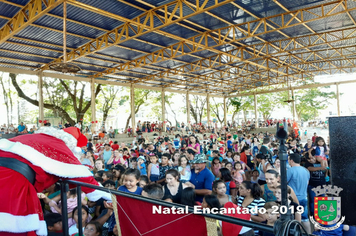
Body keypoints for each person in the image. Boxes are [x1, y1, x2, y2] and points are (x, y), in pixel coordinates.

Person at [0, 127, 112, 235]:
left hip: (9, 176)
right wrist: (110, 196)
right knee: (12, 227)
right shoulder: (59, 145)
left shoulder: (33, 138)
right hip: (12, 180)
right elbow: (82, 176)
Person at [287, 153, 311, 234]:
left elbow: (283, 183)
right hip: (304, 197)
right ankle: (309, 234)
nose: (288, 161)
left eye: (288, 160)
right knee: (305, 219)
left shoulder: (290, 170)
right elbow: (307, 183)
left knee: (293, 221)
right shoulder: (306, 170)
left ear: (292, 160)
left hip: (293, 199)